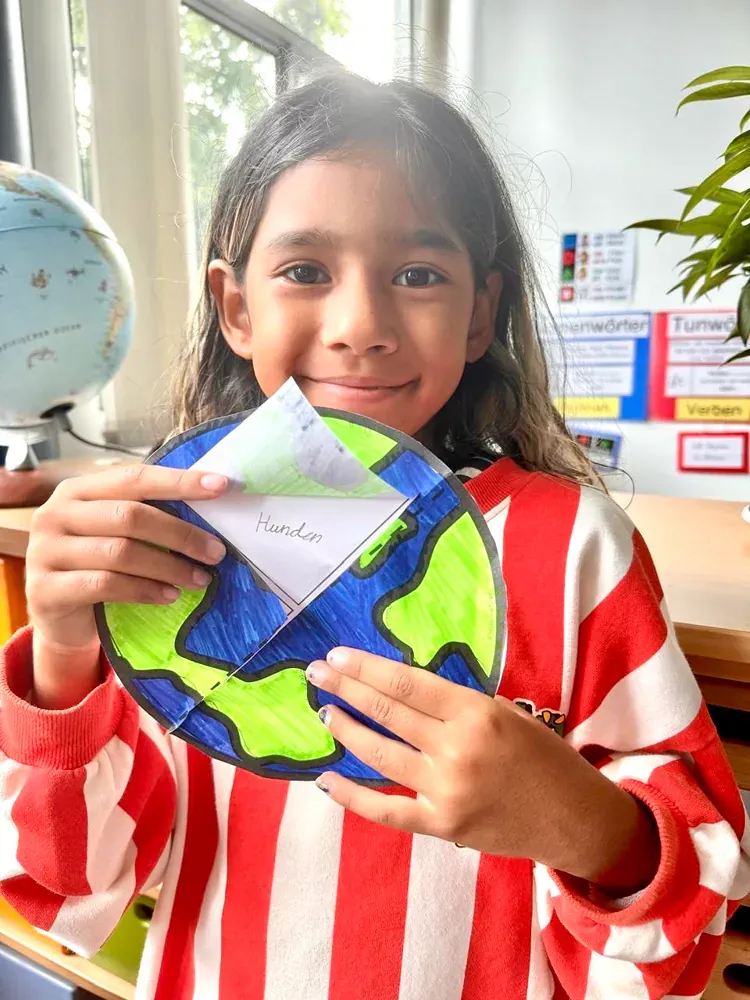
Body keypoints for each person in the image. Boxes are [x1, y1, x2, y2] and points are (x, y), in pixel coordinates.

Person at [1, 74, 748, 1000]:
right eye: (306, 271)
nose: (361, 328)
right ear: (236, 309)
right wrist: (63, 663)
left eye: (419, 275)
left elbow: (689, 919)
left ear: (481, 312)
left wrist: (581, 821)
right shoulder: (173, 545)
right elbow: (77, 892)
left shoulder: (572, 551)